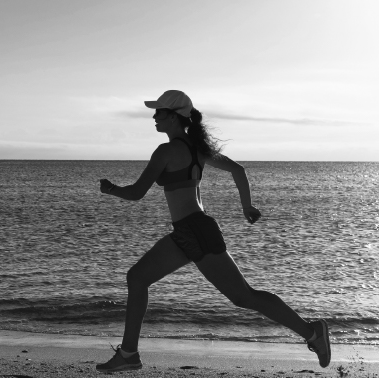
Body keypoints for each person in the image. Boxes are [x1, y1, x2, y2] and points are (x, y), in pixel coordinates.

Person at [95, 90, 331, 372]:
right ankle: (129, 354)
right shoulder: (198, 150)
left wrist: (110, 190)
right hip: (192, 229)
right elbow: (238, 170)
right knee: (137, 278)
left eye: (159, 112)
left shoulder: (166, 151)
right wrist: (247, 206)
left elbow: (136, 193)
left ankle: (312, 331)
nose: (154, 117)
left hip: (195, 231)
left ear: (173, 117)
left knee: (244, 296)